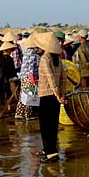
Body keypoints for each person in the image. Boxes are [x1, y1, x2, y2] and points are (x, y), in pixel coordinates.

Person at [34, 32, 66, 163]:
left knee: (46, 126)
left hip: (47, 96)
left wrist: (57, 94)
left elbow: (50, 78)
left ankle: (50, 154)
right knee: (52, 126)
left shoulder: (45, 59)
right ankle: (50, 151)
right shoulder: (58, 59)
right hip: (55, 97)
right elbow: (63, 78)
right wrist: (61, 94)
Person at [15, 35, 42, 119]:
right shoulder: (33, 53)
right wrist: (32, 80)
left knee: (23, 95)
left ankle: (19, 113)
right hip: (29, 76)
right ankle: (28, 114)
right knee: (30, 95)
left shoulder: (27, 51)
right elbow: (31, 67)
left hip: (24, 76)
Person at [0, 40, 17, 108]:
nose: (11, 51)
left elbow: (12, 70)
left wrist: (14, 76)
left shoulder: (10, 59)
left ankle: (2, 108)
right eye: (10, 50)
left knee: (6, 94)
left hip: (6, 79)